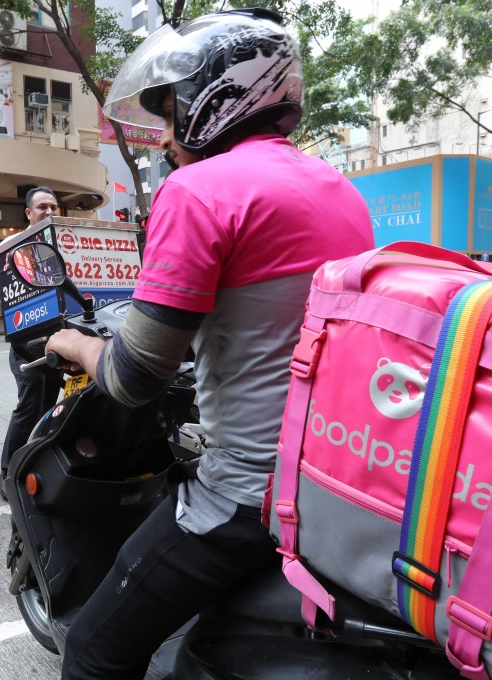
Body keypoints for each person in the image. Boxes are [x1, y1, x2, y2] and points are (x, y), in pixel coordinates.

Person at [43, 9, 376, 679]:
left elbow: (135, 377)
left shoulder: (197, 191)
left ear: (212, 101)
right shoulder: (339, 189)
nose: (166, 138)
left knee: (92, 652)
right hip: (330, 485)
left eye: (170, 115)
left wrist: (75, 344)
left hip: (246, 497)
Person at [0, 186, 66, 499]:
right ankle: (7, 472)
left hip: (60, 343)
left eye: (54, 207)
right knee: (29, 404)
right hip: (26, 347)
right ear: (29, 213)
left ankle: (37, 461)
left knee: (51, 407)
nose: (49, 212)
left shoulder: (63, 242)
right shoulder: (12, 247)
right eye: (42, 207)